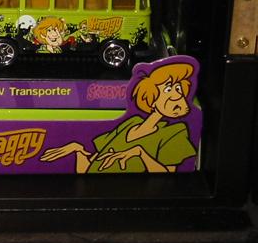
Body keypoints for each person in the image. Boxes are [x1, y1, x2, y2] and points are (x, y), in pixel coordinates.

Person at [40, 61, 197, 173]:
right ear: (150, 98)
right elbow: (91, 167)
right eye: (168, 89)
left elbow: (169, 173)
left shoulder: (175, 131)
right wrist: (77, 149)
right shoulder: (131, 122)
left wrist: (140, 153)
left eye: (178, 88)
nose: (176, 95)